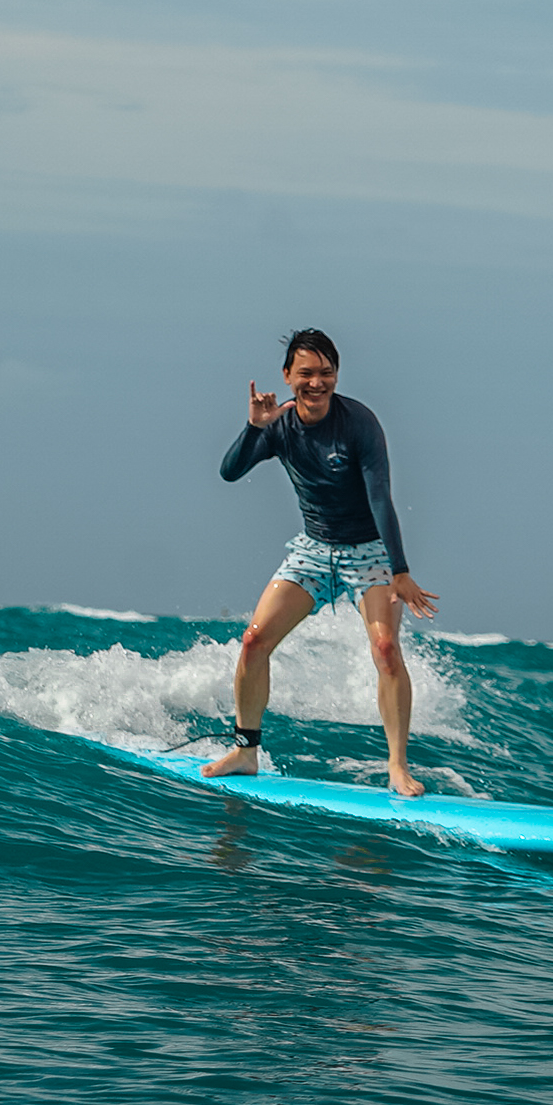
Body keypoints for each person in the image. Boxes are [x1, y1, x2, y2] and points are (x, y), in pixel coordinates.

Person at [204, 328, 438, 795]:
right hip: (312, 549)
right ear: (288, 377)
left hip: (369, 550)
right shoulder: (279, 424)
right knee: (253, 641)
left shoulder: (359, 423)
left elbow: (379, 497)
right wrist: (255, 426)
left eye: (326, 372)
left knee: (386, 650)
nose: (317, 382)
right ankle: (246, 751)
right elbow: (229, 472)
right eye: (306, 373)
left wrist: (400, 570)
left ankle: (397, 766)